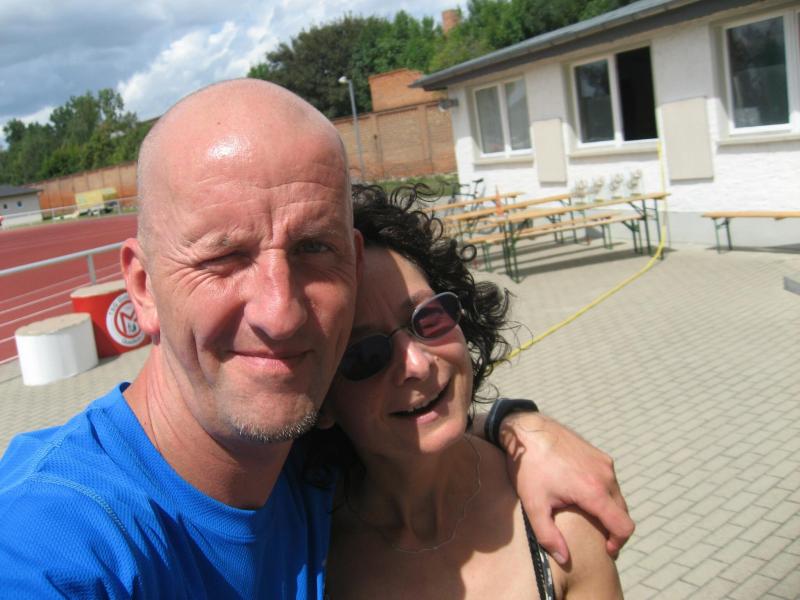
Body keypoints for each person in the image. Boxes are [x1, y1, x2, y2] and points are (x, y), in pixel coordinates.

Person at [0, 79, 631, 597]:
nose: (281, 314)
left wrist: (518, 430)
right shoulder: (57, 542)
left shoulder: (301, 462)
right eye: (223, 257)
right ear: (142, 288)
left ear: (352, 262)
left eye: (312, 248)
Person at [318, 185, 623, 599]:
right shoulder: (301, 552)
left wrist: (520, 425)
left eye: (428, 316)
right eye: (365, 354)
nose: (417, 364)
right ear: (320, 399)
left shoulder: (558, 519)